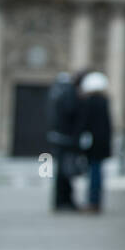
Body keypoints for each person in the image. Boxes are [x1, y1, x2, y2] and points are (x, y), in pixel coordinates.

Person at [76, 71, 113, 213]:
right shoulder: (104, 101)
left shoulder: (90, 102)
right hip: (102, 144)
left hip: (92, 143)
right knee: (98, 173)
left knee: (93, 174)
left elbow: (84, 123)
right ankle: (96, 201)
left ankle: (93, 202)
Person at [45, 71, 80, 211]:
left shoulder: (55, 93)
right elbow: (72, 113)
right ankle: (65, 201)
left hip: (57, 137)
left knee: (61, 171)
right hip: (67, 139)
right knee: (66, 172)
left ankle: (59, 201)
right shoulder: (68, 94)